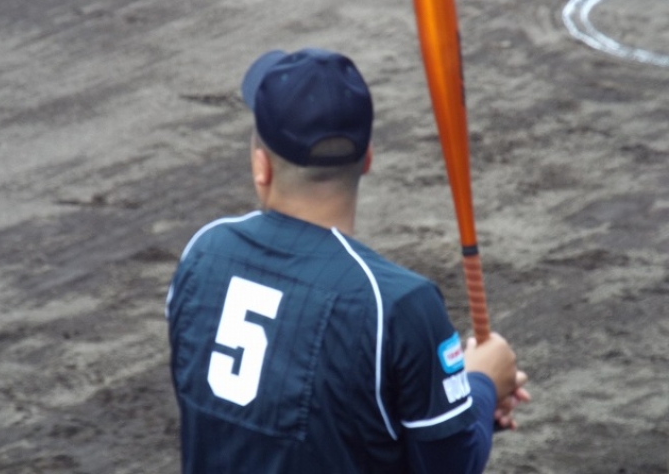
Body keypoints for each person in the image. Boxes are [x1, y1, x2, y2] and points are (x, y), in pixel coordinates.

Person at [166, 47, 529, 474]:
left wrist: (460, 404)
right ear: (368, 158)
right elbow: (451, 464)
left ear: (261, 166)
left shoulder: (203, 254)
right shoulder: (398, 306)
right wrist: (481, 385)